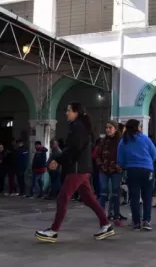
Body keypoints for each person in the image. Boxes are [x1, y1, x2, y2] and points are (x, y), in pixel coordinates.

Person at [35, 102, 113, 243]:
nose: (67, 113)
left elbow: (74, 149)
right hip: (81, 168)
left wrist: (58, 160)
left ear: (77, 112)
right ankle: (106, 224)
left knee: (62, 198)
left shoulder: (78, 127)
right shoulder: (79, 127)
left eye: (69, 110)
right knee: (89, 199)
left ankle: (53, 231)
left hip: (77, 169)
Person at [117, 119, 156, 230]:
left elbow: (120, 160)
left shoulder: (123, 141)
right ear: (137, 127)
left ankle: (136, 222)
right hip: (147, 170)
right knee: (147, 196)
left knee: (134, 196)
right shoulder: (145, 138)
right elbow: (154, 153)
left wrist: (126, 164)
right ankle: (146, 221)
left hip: (132, 170)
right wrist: (148, 162)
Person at [96, 121, 124, 223]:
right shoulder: (103, 141)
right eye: (106, 127)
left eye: (110, 127)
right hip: (103, 170)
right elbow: (98, 155)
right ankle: (102, 215)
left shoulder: (120, 141)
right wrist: (101, 165)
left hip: (116, 170)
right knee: (103, 192)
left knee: (115, 193)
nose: (107, 129)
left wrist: (119, 166)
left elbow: (123, 155)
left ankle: (116, 215)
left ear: (115, 129)